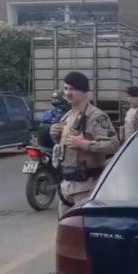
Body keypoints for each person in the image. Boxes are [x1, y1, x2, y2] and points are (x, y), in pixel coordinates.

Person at [50, 71, 120, 218]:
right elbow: (65, 146)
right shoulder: (67, 116)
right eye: (66, 88)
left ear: (83, 92)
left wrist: (84, 144)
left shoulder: (96, 117)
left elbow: (113, 144)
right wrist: (55, 134)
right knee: (65, 231)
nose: (68, 93)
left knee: (83, 231)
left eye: (72, 89)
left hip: (86, 186)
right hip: (66, 186)